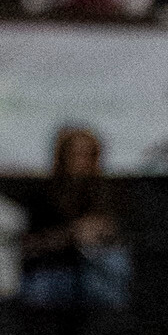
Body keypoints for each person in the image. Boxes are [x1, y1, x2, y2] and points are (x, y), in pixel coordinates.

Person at [18, 126, 132, 319]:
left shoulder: (108, 195)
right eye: (75, 154)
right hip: (52, 270)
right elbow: (26, 246)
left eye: (88, 155)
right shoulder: (41, 195)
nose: (81, 162)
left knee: (113, 266)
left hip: (96, 271)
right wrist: (71, 235)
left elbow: (122, 240)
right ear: (62, 157)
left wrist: (102, 232)